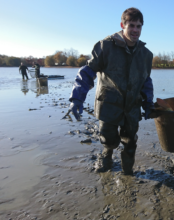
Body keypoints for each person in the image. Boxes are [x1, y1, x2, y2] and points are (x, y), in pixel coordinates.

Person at [68, 7, 155, 175]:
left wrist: (148, 104)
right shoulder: (105, 46)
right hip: (108, 104)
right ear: (122, 25)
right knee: (108, 138)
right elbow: (87, 72)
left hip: (131, 106)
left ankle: (128, 171)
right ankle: (107, 154)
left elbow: (146, 81)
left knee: (130, 141)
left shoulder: (146, 55)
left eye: (139, 26)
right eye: (131, 25)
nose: (135, 30)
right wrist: (77, 98)